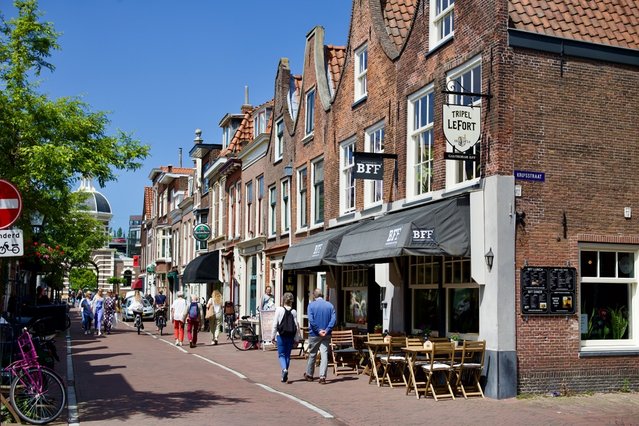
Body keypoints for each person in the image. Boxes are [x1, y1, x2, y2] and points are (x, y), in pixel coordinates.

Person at [304, 288, 336, 384]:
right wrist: (326, 330)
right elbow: (333, 320)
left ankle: (309, 374)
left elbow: (311, 320)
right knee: (324, 354)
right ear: (322, 295)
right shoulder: (330, 306)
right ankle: (322, 376)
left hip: (314, 334)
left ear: (314, 296)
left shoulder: (311, 306)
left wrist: (318, 330)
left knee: (313, 354)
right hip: (326, 334)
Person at [271, 292, 301, 383]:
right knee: (287, 355)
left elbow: (275, 324)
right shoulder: (294, 311)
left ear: (283, 300)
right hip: (290, 336)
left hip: (281, 336)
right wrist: (297, 339)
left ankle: (284, 370)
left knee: (281, 355)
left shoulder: (279, 310)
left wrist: (272, 336)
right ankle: (284, 374)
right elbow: (296, 326)